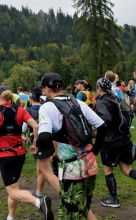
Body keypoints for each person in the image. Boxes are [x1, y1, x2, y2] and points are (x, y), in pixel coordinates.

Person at [36, 73, 107, 220]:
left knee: (71, 213)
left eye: (42, 89)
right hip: (90, 164)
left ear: (47, 89)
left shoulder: (47, 107)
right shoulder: (77, 102)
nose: (42, 92)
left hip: (72, 169)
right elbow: (102, 126)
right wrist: (95, 150)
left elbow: (44, 136)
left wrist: (45, 151)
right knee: (82, 208)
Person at [0, 88, 53, 220]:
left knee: (13, 191)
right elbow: (36, 126)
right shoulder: (20, 110)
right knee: (14, 186)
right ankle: (10, 217)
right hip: (20, 153)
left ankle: (39, 203)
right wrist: (35, 143)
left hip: (6, 155)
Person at [95, 78, 136, 208]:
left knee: (107, 169)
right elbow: (129, 112)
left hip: (111, 141)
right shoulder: (117, 98)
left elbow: (105, 120)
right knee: (127, 169)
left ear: (99, 89)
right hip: (125, 138)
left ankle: (113, 199)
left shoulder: (102, 102)